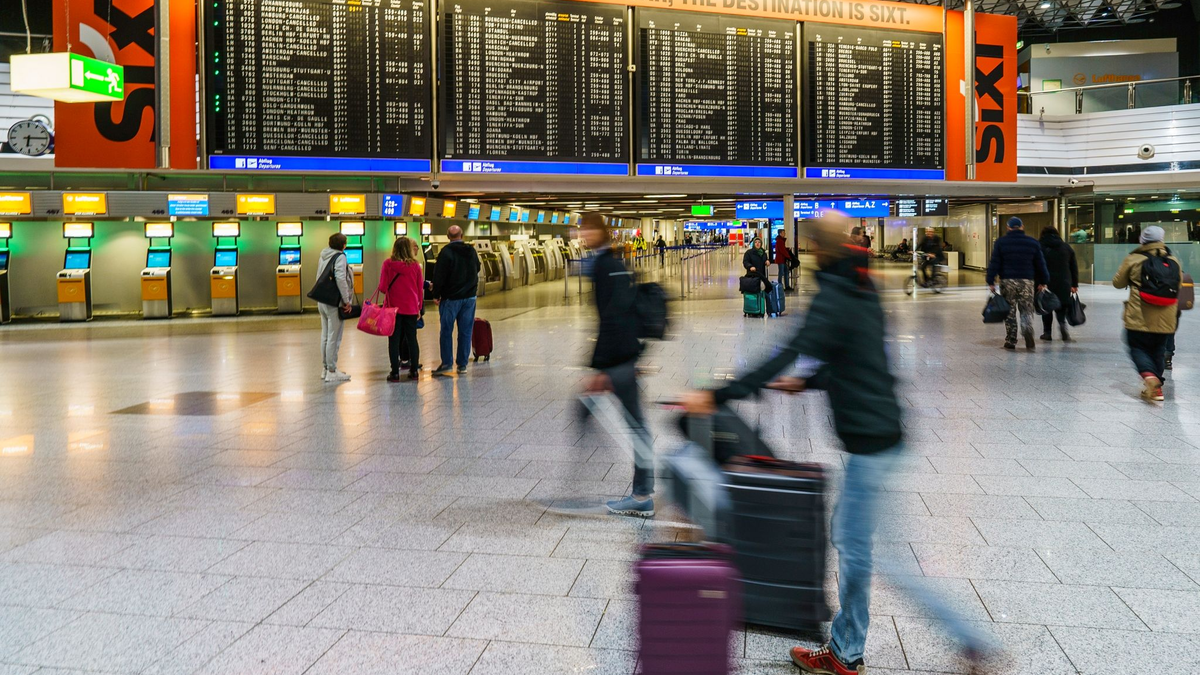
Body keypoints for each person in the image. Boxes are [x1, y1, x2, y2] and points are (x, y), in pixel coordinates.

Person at [680, 214, 989, 675]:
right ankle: (847, 646)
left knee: (878, 555)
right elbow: (855, 358)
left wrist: (716, 394)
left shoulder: (836, 295)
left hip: (871, 443)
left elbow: (785, 351)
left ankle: (954, 640)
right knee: (852, 537)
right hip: (882, 432)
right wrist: (804, 383)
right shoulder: (862, 285)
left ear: (814, 250)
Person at [579, 214, 654, 517]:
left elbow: (612, 317)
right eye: (581, 229)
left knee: (635, 426)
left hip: (619, 358)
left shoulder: (604, 265)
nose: (583, 234)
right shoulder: (615, 263)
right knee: (633, 424)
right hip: (624, 355)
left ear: (601, 232)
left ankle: (641, 493)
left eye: (588, 229)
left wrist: (601, 369)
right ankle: (640, 490)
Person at [1112, 225, 1181, 402]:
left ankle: (1150, 377)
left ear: (1142, 240)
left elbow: (1117, 283)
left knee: (1137, 346)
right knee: (1158, 349)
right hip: (1166, 314)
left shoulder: (1134, 258)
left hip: (1139, 313)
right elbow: (1178, 286)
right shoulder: (1173, 259)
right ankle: (1158, 391)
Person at [986, 217, 1050, 350]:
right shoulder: (1032, 242)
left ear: (1008, 228)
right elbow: (1040, 263)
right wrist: (1044, 280)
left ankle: (1011, 340)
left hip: (1007, 281)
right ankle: (1027, 329)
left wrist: (990, 280)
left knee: (1009, 311)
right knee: (1026, 310)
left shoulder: (1001, 242)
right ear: (1022, 227)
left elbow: (995, 262)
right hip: (1027, 281)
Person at [431, 225, 481, 375]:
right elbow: (477, 268)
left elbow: (439, 275)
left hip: (451, 298)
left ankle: (447, 363)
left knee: (446, 330)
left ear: (448, 236)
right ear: (462, 235)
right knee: (465, 331)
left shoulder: (445, 252)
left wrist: (436, 294)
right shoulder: (471, 251)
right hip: (469, 298)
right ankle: (462, 365)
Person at [378, 236, 425, 382]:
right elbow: (419, 289)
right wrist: (419, 308)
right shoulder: (415, 266)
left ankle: (395, 373)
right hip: (411, 308)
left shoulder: (388, 264)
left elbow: (382, 287)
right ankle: (414, 371)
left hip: (393, 309)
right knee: (412, 339)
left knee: (394, 340)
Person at [316, 233, 355, 383]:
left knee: (325, 335)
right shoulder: (340, 257)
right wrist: (346, 301)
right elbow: (340, 278)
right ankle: (332, 370)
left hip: (323, 300)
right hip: (334, 302)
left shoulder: (324, 255)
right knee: (334, 336)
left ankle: (325, 368)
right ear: (343, 245)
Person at [1038, 226, 1079, 342]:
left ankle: (1047, 333)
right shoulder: (1066, 247)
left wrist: (1038, 282)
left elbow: (1037, 266)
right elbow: (1073, 267)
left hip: (1046, 282)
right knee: (1061, 306)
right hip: (1064, 282)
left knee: (1046, 307)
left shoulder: (1039, 247)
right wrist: (1074, 284)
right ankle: (1062, 326)